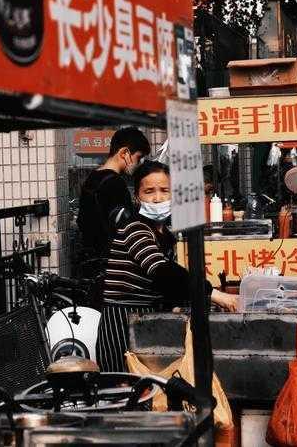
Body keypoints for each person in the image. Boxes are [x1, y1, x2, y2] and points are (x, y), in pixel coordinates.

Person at [96, 161, 237, 372]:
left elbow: (167, 286)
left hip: (144, 323)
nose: (158, 198)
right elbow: (164, 274)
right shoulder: (136, 228)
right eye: (149, 191)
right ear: (137, 196)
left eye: (164, 191)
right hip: (122, 325)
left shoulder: (164, 235)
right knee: (126, 392)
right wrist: (213, 294)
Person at [77, 127, 150, 275]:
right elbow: (126, 229)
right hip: (113, 265)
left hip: (91, 264)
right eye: (138, 158)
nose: (139, 164)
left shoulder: (92, 178)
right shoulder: (115, 183)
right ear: (124, 153)